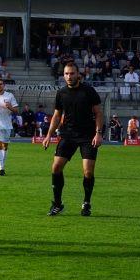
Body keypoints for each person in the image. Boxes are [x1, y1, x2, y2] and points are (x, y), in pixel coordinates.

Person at [42, 62, 103, 217]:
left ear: (78, 74)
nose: (69, 77)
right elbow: (56, 115)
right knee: (56, 167)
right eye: (67, 74)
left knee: (88, 172)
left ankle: (87, 202)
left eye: (72, 73)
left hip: (88, 136)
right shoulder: (61, 93)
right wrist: (49, 135)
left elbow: (98, 114)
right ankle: (58, 204)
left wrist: (98, 133)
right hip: (68, 135)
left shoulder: (89, 91)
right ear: (64, 75)